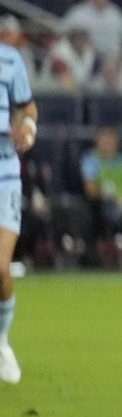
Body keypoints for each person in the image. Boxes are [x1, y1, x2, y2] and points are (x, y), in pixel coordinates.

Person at [0, 33, 37, 384]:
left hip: (4, 173)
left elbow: (27, 106)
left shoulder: (10, 59)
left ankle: (2, 342)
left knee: (0, 268)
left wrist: (28, 126)